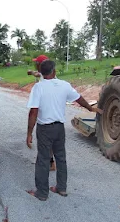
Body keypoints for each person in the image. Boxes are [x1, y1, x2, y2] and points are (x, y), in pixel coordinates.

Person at [26, 60, 103, 201]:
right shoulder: (64, 85)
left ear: (41, 72)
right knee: (61, 158)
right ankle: (61, 188)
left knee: (43, 159)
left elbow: (33, 112)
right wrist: (91, 108)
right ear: (54, 71)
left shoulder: (38, 88)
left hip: (44, 129)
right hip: (59, 128)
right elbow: (79, 99)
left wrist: (29, 133)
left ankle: (42, 193)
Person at [27, 54, 57, 171]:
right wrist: (31, 72)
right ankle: (50, 162)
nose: (35, 64)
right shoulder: (47, 75)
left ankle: (49, 164)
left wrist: (29, 132)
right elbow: (37, 74)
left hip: (48, 114)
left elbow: (34, 110)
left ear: (40, 65)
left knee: (45, 140)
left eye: (36, 63)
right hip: (53, 113)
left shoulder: (46, 80)